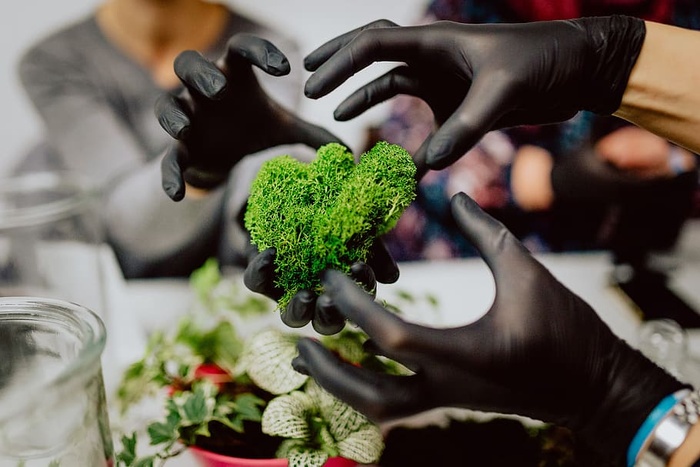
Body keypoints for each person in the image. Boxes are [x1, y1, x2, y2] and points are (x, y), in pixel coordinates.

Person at [241, 15, 700, 466]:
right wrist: (610, 59)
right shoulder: (464, 13)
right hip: (451, 273)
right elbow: (419, 138)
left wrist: (618, 402)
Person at [15, 0, 339, 279]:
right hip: (104, 286)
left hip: (209, 286)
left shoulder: (268, 49)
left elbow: (253, 204)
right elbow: (129, 223)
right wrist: (200, 175)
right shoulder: (52, 61)